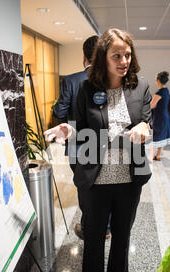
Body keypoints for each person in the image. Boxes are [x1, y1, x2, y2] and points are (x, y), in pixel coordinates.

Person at [44, 28, 152, 272]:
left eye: (127, 55)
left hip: (129, 178)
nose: (124, 61)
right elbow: (79, 127)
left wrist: (143, 126)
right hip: (96, 179)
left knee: (121, 237)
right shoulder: (86, 88)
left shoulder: (140, 87)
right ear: (103, 57)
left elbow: (148, 123)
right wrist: (68, 131)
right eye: (117, 55)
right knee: (93, 241)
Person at [52, 35, 111, 241]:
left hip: (78, 145)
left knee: (85, 188)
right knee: (104, 186)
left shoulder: (71, 80)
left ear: (85, 57)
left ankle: (89, 228)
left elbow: (60, 111)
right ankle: (106, 227)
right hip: (104, 145)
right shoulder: (111, 80)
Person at [149, 71, 170, 161]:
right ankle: (158, 155)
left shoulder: (159, 92)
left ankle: (150, 156)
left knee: (156, 136)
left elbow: (152, 105)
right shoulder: (166, 90)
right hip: (165, 116)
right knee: (162, 135)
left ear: (158, 80)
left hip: (159, 117)